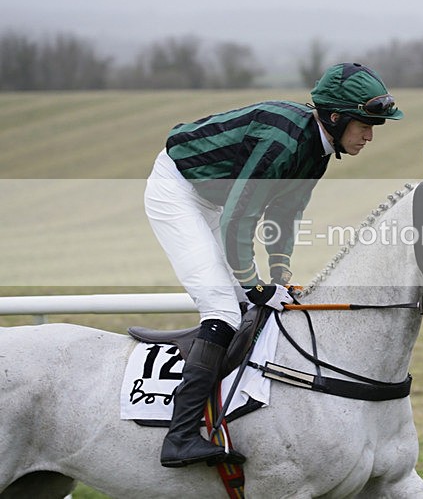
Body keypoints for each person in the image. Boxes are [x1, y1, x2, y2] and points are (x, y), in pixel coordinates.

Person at [144, 62, 404, 468]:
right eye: (364, 125)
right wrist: (253, 282)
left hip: (215, 200)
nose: (370, 136)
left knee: (254, 304)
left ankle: (233, 414)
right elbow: (240, 218)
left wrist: (280, 278)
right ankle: (179, 437)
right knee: (224, 309)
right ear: (335, 118)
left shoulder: (317, 150)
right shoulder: (284, 142)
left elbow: (285, 214)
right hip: (177, 191)